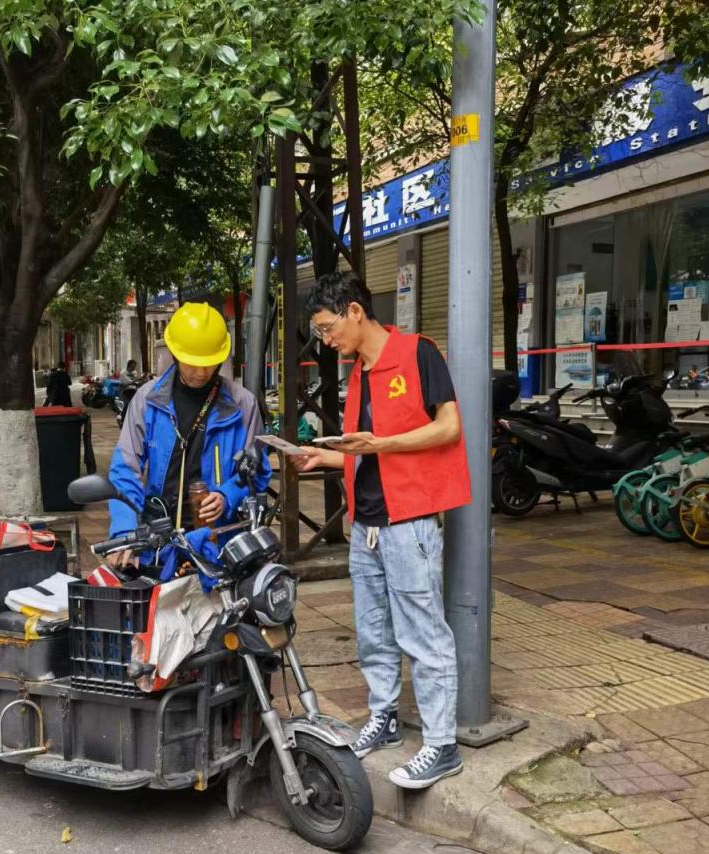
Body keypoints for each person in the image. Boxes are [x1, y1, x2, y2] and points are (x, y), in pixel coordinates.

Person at [293, 271, 471, 790]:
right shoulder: (360, 373)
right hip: (366, 523)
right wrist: (326, 457)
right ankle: (385, 717)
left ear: (354, 311)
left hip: (408, 522)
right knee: (373, 631)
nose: (327, 340)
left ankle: (442, 745)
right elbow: (365, 453)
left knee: (423, 634)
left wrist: (381, 444)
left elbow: (449, 427)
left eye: (328, 328)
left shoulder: (418, 353)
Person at [106, 302, 271, 566]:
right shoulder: (147, 400)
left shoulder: (243, 405)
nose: (201, 373)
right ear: (174, 354)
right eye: (192, 363)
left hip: (218, 545)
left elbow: (257, 472)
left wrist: (227, 496)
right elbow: (126, 469)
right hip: (159, 543)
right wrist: (125, 531)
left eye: (210, 363)